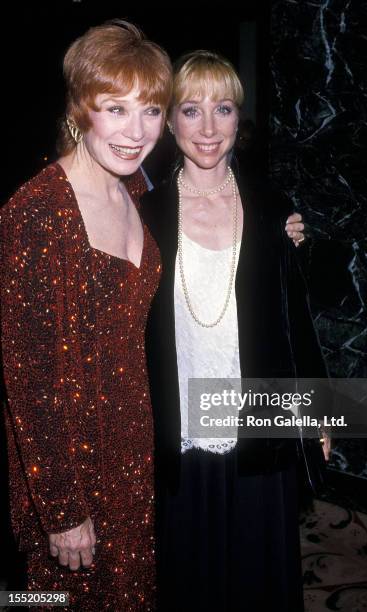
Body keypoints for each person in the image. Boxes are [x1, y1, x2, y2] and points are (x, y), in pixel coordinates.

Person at [142, 50, 329, 612]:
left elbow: (295, 316)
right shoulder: (146, 215)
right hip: (179, 427)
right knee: (190, 579)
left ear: (237, 120)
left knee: (258, 576)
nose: (207, 128)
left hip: (257, 424)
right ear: (170, 122)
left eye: (221, 109)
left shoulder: (273, 208)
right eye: (190, 110)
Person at [0, 21, 172, 610]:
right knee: (46, 603)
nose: (136, 131)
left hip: (130, 450)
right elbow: (29, 378)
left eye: (150, 111)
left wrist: (281, 231)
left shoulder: (134, 189)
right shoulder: (36, 214)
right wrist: (62, 508)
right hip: (70, 468)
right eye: (115, 109)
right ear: (81, 109)